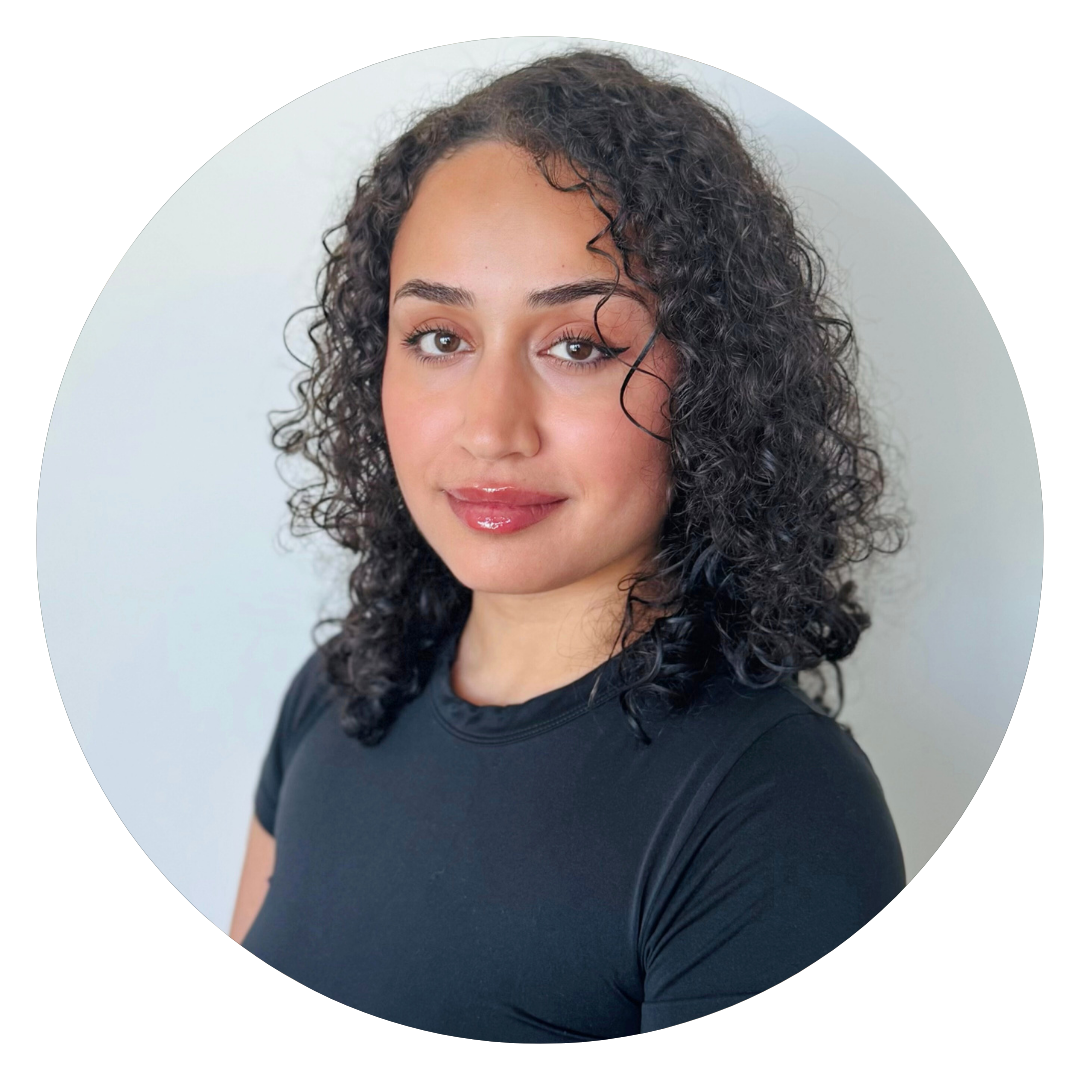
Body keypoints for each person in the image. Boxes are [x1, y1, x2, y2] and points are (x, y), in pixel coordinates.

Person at [229, 49, 906, 1041]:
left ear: (714, 384)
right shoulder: (337, 695)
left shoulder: (776, 812)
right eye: (439, 338)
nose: (492, 428)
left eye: (579, 346)